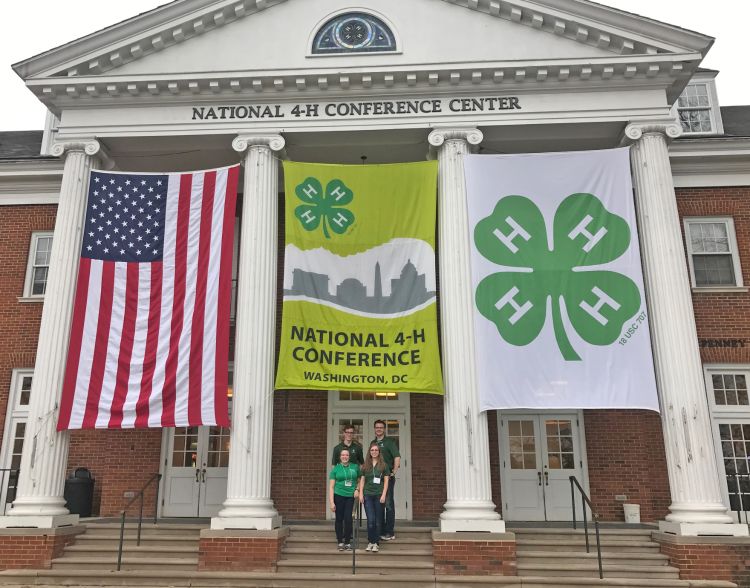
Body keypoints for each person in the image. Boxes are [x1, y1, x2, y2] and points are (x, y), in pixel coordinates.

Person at [371, 419, 400, 541]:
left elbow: (397, 457)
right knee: (379, 504)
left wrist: (394, 471)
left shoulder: (389, 442)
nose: (379, 429)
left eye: (381, 427)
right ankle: (380, 530)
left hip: (387, 477)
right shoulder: (373, 442)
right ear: (374, 429)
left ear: (384, 429)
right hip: (376, 478)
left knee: (388, 504)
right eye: (377, 427)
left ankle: (389, 531)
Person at [358, 443, 390, 553]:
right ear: (369, 452)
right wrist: (361, 493)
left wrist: (384, 495)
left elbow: (386, 481)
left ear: (379, 452)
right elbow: (362, 480)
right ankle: (370, 541)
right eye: (372, 450)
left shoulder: (384, 465)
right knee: (370, 520)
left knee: (377, 521)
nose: (374, 451)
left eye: (376, 450)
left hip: (379, 495)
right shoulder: (365, 465)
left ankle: (376, 543)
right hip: (367, 494)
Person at [328, 448, 360, 551]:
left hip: (350, 497)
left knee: (348, 519)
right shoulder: (336, 469)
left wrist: (357, 489)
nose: (345, 457)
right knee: (339, 519)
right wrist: (332, 502)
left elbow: (360, 480)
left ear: (349, 457)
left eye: (346, 455)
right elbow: (331, 487)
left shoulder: (355, 467)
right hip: (338, 496)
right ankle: (340, 542)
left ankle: (347, 542)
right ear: (340, 457)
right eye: (343, 455)